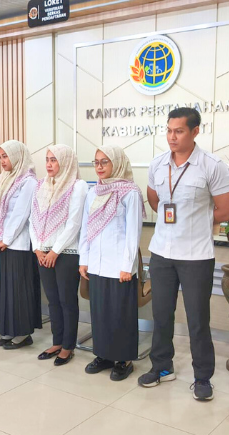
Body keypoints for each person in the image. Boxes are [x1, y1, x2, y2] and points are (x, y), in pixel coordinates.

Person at [137, 107, 229, 402]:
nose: (172, 137)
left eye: (178, 131)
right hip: (161, 252)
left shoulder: (211, 166)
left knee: (197, 319)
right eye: (169, 130)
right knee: (161, 314)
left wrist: (196, 221)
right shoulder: (158, 164)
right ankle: (161, 367)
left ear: (195, 132)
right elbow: (154, 199)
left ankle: (202, 377)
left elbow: (227, 209)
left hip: (196, 255)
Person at [78, 145, 144, 381]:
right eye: (96, 162)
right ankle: (103, 355)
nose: (99, 167)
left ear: (117, 163)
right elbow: (85, 229)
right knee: (100, 313)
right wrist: (84, 260)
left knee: (120, 314)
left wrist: (128, 266)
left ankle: (124, 360)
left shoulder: (130, 193)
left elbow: (133, 233)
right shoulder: (93, 192)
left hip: (119, 267)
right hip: (96, 265)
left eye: (104, 162)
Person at [30, 145, 88, 366]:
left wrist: (55, 251)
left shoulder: (77, 186)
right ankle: (57, 342)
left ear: (65, 162)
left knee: (66, 300)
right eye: (47, 159)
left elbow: (74, 223)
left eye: (54, 160)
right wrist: (37, 248)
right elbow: (33, 218)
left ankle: (68, 346)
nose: (49, 164)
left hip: (66, 252)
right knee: (53, 300)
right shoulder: (40, 185)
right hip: (42, 252)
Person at [0, 140, 41, 349]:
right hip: (1, 243)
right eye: (0, 156)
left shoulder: (28, 181)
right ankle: (8, 330)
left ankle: (23, 334)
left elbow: (21, 214)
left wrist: (6, 240)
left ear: (18, 156)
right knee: (5, 290)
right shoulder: (2, 179)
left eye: (6, 156)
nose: (2, 160)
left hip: (18, 244)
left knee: (18, 290)